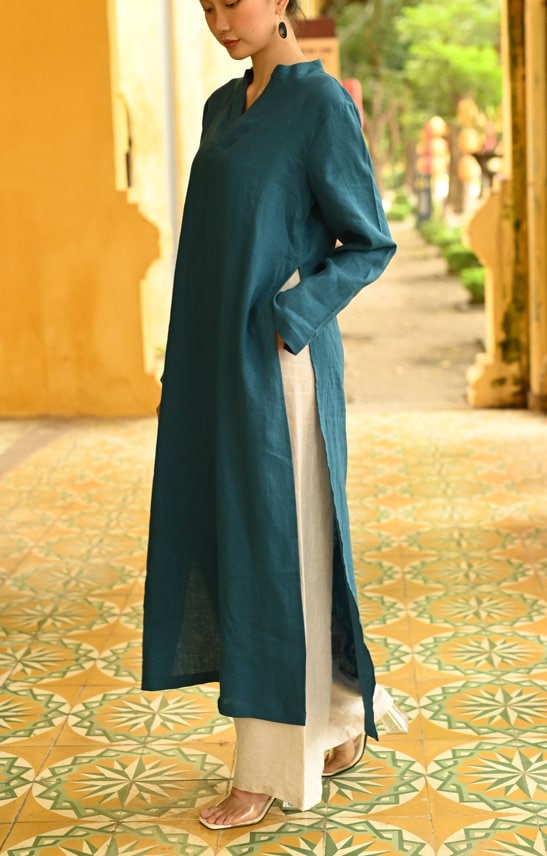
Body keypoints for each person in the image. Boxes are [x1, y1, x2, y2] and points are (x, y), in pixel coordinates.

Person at [142, 0, 399, 830]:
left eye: (233, 1)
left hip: (279, 364)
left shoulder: (321, 105)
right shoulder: (223, 106)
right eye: (206, 4)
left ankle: (268, 769)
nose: (219, 19)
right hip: (218, 364)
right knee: (241, 545)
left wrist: (292, 311)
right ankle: (336, 719)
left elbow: (366, 242)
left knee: (276, 559)